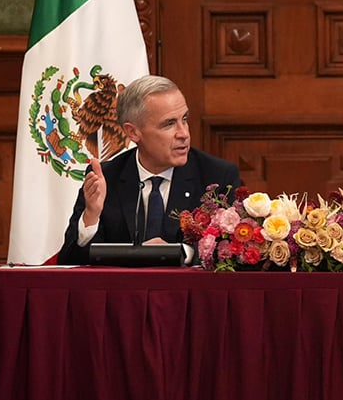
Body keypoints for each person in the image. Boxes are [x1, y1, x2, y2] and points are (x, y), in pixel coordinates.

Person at [57, 75, 242, 264]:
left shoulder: (217, 177)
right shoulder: (106, 178)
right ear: (133, 132)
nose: (184, 133)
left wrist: (182, 252)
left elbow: (232, 252)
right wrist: (91, 216)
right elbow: (69, 261)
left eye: (184, 119)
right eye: (169, 124)